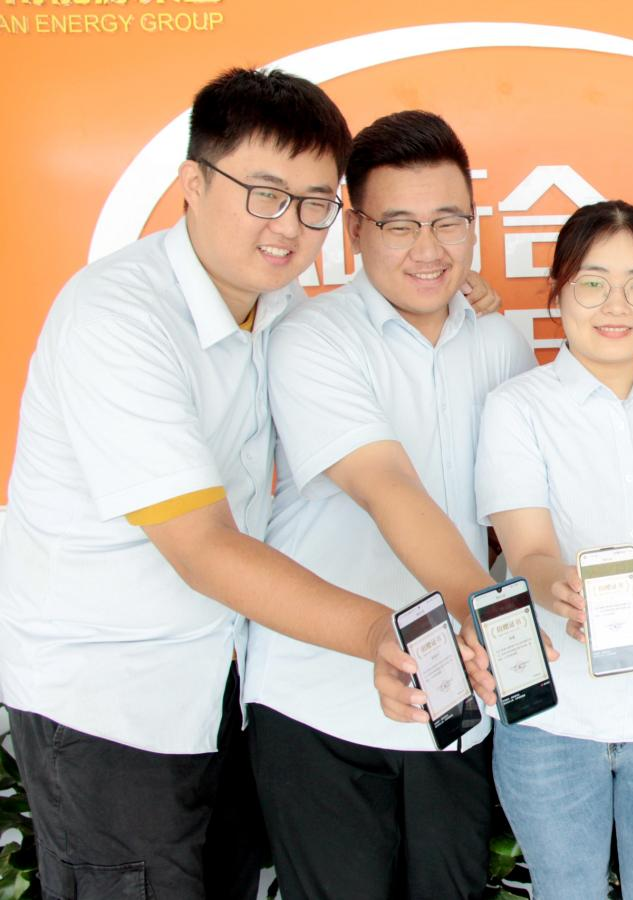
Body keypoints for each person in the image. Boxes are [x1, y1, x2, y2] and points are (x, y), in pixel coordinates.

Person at [0, 69, 494, 899]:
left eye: (313, 203)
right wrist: (384, 634)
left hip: (213, 690)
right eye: (264, 195)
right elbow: (201, 547)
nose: (289, 226)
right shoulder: (116, 318)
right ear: (192, 184)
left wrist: (452, 290)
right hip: (109, 706)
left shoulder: (280, 306)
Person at [244, 109, 536, 899]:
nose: (428, 248)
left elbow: (517, 510)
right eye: (399, 225)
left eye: (448, 221)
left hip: (456, 699)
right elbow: (385, 485)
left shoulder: (503, 344)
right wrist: (490, 620)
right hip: (319, 698)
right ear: (355, 231)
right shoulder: (313, 337)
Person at [475, 200, 633, 899]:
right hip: (556, 714)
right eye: (593, 282)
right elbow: (526, 552)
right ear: (557, 293)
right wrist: (563, 588)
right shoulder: (517, 407)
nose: (617, 304)